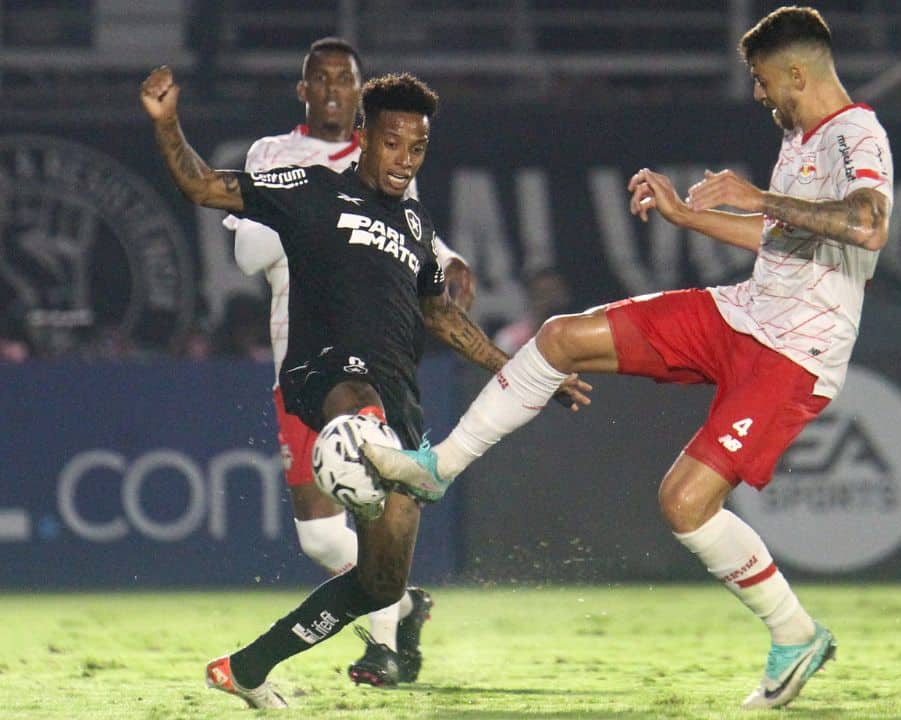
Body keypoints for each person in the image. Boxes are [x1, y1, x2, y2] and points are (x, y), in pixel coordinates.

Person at [364, 6, 891, 710]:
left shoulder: (857, 134)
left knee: (684, 504)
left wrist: (758, 195)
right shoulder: (800, 136)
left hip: (795, 353)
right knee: (559, 336)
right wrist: (687, 215)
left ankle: (795, 633)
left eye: (765, 82)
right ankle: (439, 470)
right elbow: (781, 238)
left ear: (798, 72)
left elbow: (866, 225)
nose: (760, 96)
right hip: (746, 312)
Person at [140, 67, 588, 709]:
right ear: (362, 137)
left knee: (379, 584)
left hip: (398, 406)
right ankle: (359, 442)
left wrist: (518, 370)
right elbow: (203, 185)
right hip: (328, 376)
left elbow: (439, 315)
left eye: (418, 148)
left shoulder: (414, 226)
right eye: (392, 143)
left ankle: (246, 668)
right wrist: (166, 124)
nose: (404, 159)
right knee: (356, 406)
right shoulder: (311, 189)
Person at [222, 36, 477, 688]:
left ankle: (382, 647)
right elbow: (248, 254)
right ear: (304, 90)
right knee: (318, 538)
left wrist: (450, 261)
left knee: (373, 508)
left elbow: (409, 237)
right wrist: (312, 217)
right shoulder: (277, 156)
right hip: (303, 355)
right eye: (322, 78)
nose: (334, 88)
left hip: (372, 360)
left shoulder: (386, 156)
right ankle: (404, 602)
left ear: (359, 97)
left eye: (346, 79)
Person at [491, 267, 571, 354]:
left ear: (565, 297)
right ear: (531, 297)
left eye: (554, 293)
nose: (549, 300)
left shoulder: (580, 335)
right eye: (542, 294)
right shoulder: (508, 339)